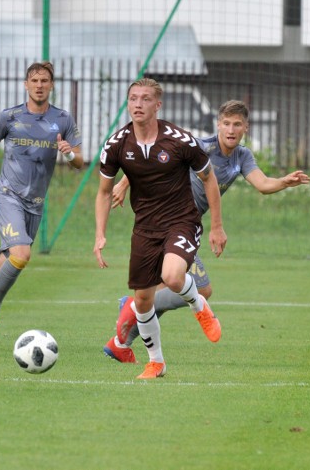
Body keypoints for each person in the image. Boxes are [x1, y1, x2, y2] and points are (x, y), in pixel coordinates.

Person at [103, 100, 310, 365]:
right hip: (170, 221)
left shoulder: (242, 156)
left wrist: (283, 182)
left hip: (183, 226)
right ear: (218, 125)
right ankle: (131, 311)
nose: (231, 129)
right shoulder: (201, 147)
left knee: (168, 288)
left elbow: (262, 183)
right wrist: (123, 182)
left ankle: (121, 340)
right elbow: (156, 161)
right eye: (226, 124)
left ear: (246, 127)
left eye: (237, 124)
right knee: (199, 289)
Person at [94, 78, 228, 379]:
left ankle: (199, 306)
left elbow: (209, 179)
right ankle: (156, 362)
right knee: (142, 300)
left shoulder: (180, 140)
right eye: (133, 99)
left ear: (158, 104)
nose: (137, 104)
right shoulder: (117, 144)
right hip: (145, 228)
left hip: (182, 220)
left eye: (144, 99)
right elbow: (104, 192)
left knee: (171, 275)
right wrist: (100, 234)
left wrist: (217, 226)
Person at [0, 61, 83, 352]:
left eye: (44, 80)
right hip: (7, 196)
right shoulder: (9, 117)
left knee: (3, 266)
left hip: (35, 205)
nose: (39, 85)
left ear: (51, 85)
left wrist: (69, 153)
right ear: (26, 84)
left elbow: (79, 162)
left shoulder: (62, 120)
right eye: (34, 80)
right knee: (21, 254)